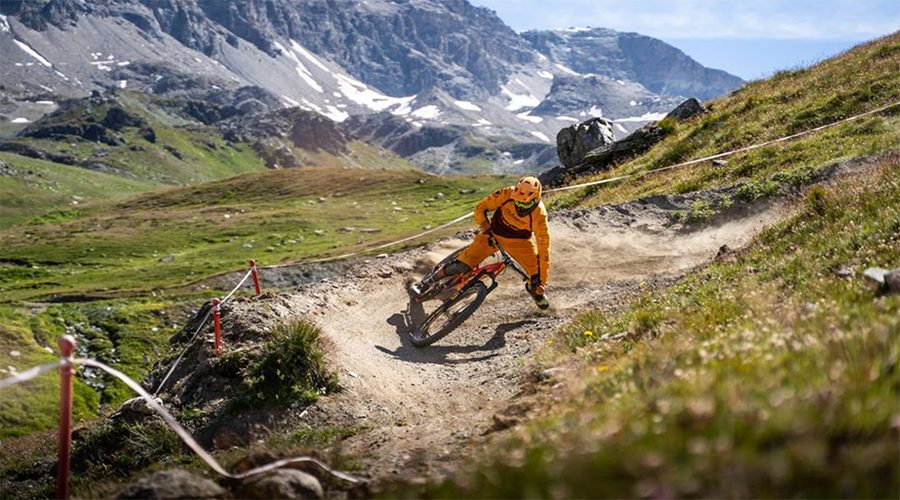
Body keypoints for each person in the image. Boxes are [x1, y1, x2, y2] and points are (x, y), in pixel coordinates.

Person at [410, 176, 551, 309]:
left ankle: (536, 292)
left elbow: (544, 250)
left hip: (520, 243)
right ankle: (425, 283)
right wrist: (484, 224)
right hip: (491, 234)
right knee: (461, 265)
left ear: (534, 199)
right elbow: (481, 207)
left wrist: (542, 282)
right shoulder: (507, 193)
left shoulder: (540, 215)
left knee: (536, 276)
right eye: (517, 200)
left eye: (524, 203)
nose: (519, 205)